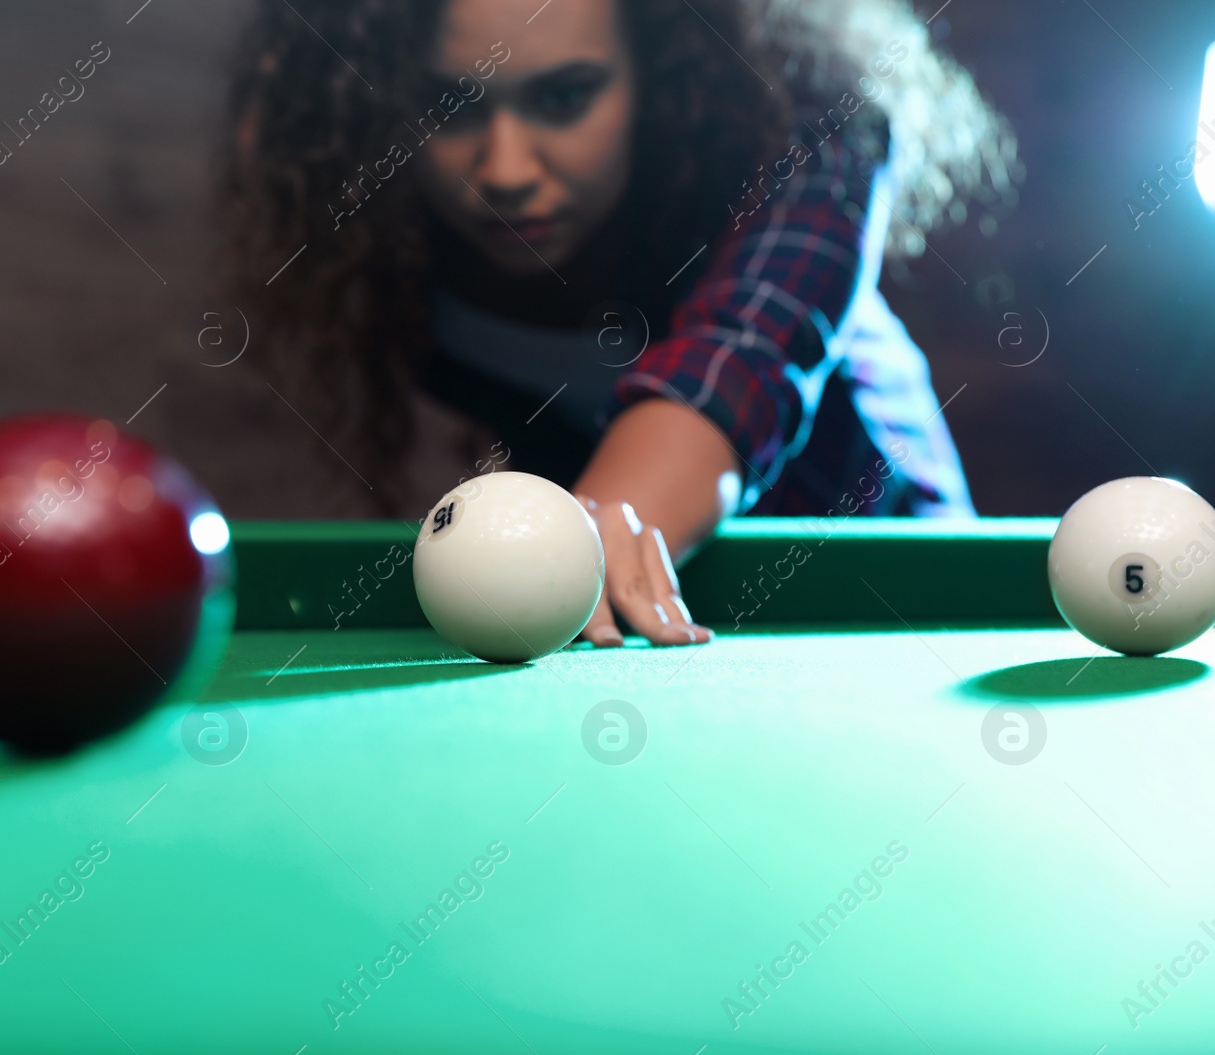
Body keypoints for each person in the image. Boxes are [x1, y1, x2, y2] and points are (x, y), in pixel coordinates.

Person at [222, 0, 1018, 649]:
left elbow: (737, 361)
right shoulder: (385, 234)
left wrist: (585, 536)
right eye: (452, 106)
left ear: (663, 64)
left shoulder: (809, 131)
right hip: (632, 605)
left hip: (880, 587)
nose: (505, 170)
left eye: (565, 97)